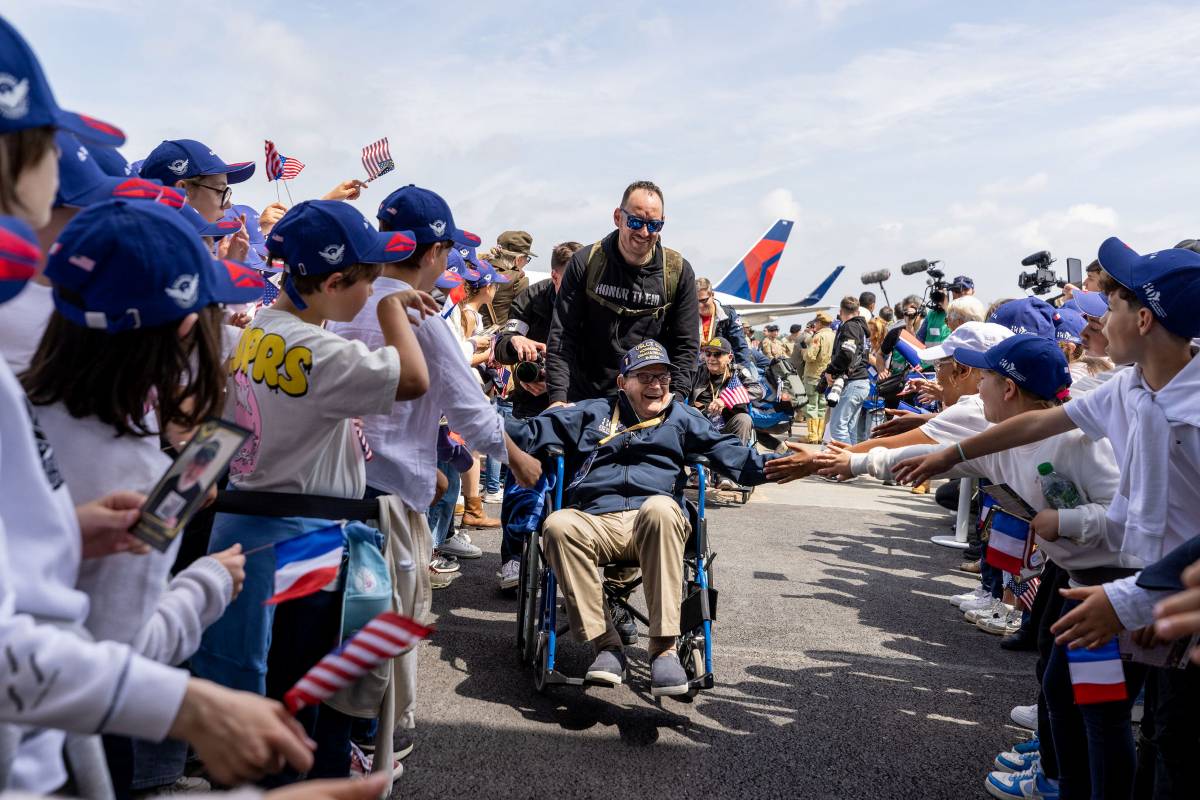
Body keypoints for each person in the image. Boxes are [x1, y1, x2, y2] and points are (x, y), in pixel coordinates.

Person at [0, 16, 316, 789]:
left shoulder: (29, 398)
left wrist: (67, 536)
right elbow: (122, 657)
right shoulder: (138, 457)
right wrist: (207, 585)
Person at [892, 238, 1200, 798]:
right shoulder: (1132, 388)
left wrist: (1126, 595)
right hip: (1142, 593)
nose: (1101, 317)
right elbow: (1041, 424)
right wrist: (949, 455)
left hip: (1152, 594)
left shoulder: (1193, 416)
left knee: (1167, 745)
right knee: (1122, 719)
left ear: (1145, 319)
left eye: (1113, 306)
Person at [818, 334, 1139, 800]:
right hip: (1082, 582)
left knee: (1099, 709)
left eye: (985, 379)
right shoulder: (998, 441)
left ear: (1009, 388)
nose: (977, 390)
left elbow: (1126, 521)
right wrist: (846, 463)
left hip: (1115, 587)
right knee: (1062, 691)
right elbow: (921, 460)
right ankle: (1057, 779)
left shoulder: (1077, 442)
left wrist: (1064, 519)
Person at [505, 340, 777, 696]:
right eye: (645, 376)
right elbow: (529, 432)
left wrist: (786, 466)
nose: (656, 385)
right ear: (623, 382)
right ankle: (607, 645)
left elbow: (735, 457)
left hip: (655, 520)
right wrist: (472, 416)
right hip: (596, 519)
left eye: (663, 377)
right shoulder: (590, 412)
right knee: (558, 524)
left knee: (661, 509)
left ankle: (663, 648)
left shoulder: (682, 417)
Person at [330, 182, 542, 594]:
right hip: (388, 502)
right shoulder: (425, 320)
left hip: (331, 490)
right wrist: (519, 459)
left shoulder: (343, 306)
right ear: (432, 253)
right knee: (380, 642)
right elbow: (472, 414)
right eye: (446, 251)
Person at [546, 180, 699, 404]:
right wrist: (558, 398)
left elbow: (686, 345)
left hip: (647, 400)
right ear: (618, 217)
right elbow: (562, 335)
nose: (644, 232)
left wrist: (675, 401)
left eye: (654, 225)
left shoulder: (678, 271)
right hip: (586, 396)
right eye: (635, 222)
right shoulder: (586, 263)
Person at [494, 241, 581, 420]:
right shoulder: (530, 299)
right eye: (571, 281)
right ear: (555, 277)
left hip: (580, 402)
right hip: (531, 404)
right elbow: (501, 346)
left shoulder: (597, 301)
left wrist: (558, 383)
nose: (578, 290)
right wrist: (514, 342)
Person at [689, 336, 762, 446]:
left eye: (717, 354)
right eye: (708, 354)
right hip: (702, 425)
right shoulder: (698, 371)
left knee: (744, 419)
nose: (711, 358)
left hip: (729, 426)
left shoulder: (738, 372)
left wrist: (725, 400)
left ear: (730, 357)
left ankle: (736, 458)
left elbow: (758, 390)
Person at [823, 296, 871, 444]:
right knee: (850, 428)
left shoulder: (850, 327)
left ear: (841, 311)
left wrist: (830, 370)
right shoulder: (861, 328)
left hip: (852, 383)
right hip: (861, 382)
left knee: (838, 427)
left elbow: (846, 353)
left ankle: (845, 464)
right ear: (857, 311)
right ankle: (852, 462)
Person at [696, 276, 757, 378]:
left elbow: (740, 347)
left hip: (723, 370)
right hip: (697, 371)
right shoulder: (688, 317)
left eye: (704, 300)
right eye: (696, 301)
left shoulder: (727, 315)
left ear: (712, 295)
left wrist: (743, 375)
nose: (700, 305)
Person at [480, 229, 535, 327]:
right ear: (518, 259)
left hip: (466, 335)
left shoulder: (477, 268)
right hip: (495, 339)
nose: (526, 262)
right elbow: (521, 316)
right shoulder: (519, 280)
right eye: (527, 258)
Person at [796, 311, 834, 443]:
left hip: (813, 375)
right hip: (826, 376)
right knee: (822, 405)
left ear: (819, 323)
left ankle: (812, 435)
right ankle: (819, 435)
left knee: (811, 405)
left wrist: (803, 351)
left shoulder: (818, 336)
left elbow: (810, 356)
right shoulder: (834, 336)